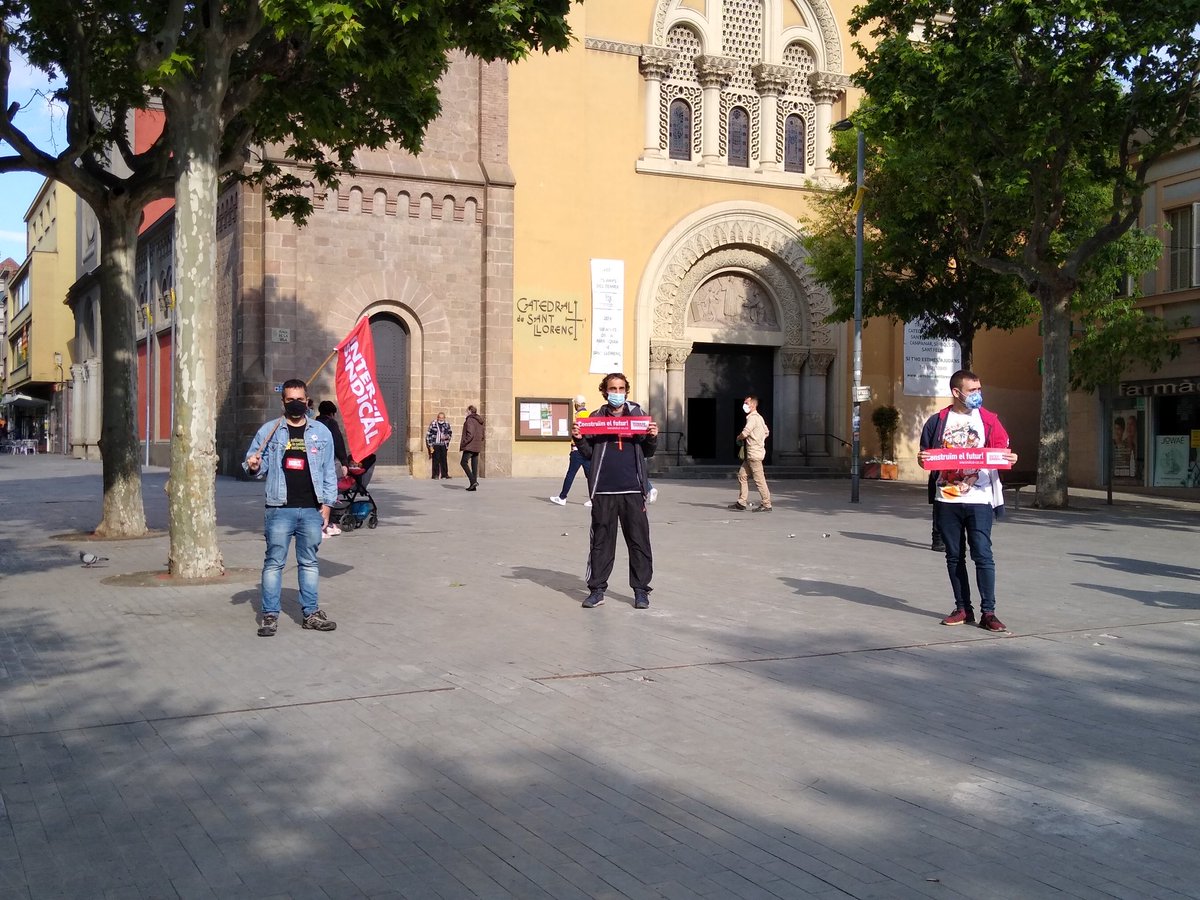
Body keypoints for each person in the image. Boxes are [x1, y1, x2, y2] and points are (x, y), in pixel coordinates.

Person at [918, 369, 1018, 633]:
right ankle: (963, 608)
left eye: (979, 390)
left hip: (980, 498)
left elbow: (1002, 451)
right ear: (956, 392)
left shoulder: (989, 420)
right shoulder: (937, 421)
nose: (977, 395)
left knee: (983, 554)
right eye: (972, 390)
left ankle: (989, 612)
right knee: (954, 556)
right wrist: (922, 460)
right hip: (947, 499)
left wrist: (1010, 458)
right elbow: (926, 455)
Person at [244, 378, 339, 637]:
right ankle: (270, 615)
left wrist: (328, 505)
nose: (297, 404)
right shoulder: (270, 431)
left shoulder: (321, 432)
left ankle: (310, 613)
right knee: (274, 563)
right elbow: (255, 463)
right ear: (283, 401)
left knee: (308, 562)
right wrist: (253, 465)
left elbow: (329, 470)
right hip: (278, 509)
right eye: (291, 400)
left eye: (301, 399)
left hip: (311, 509)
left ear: (307, 400)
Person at [572, 372, 658, 610]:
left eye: (621, 389)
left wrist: (652, 437)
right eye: (613, 389)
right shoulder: (595, 418)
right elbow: (589, 453)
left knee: (639, 541)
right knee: (601, 542)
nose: (617, 393)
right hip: (604, 491)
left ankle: (641, 591)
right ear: (604, 391)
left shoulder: (638, 417)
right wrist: (579, 439)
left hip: (633, 490)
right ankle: (597, 590)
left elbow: (648, 452)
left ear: (626, 391)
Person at [728, 394, 772, 512]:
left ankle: (766, 504)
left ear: (753, 404)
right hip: (752, 454)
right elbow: (766, 432)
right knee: (742, 475)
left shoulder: (752, 418)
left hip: (754, 454)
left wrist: (739, 437)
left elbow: (746, 432)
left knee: (759, 480)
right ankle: (741, 502)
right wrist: (759, 439)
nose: (744, 405)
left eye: (746, 403)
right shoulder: (760, 418)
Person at [550, 395, 593, 507]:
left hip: (577, 450)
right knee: (590, 476)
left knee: (571, 474)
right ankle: (594, 499)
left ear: (576, 405)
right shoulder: (589, 415)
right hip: (587, 450)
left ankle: (562, 497)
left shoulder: (578, 416)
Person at [314, 400, 349, 536]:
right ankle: (325, 524)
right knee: (329, 491)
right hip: (328, 461)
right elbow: (338, 443)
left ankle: (317, 523)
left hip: (315, 463)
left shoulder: (314, 423)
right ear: (332, 413)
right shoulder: (331, 423)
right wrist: (344, 462)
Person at [460, 404, 484, 490]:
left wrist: (464, 442)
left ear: (470, 411)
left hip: (470, 445)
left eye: (467, 411)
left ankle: (473, 481)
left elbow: (470, 434)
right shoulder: (479, 420)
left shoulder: (470, 420)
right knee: (474, 465)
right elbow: (482, 434)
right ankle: (473, 486)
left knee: (463, 462)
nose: (466, 413)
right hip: (477, 445)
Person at [426, 411, 453, 479]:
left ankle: (444, 474)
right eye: (439, 417)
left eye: (442, 418)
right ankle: (435, 475)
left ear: (444, 418)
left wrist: (446, 437)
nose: (441, 419)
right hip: (435, 443)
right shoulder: (433, 423)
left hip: (443, 444)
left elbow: (450, 433)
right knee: (436, 459)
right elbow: (428, 434)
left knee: (444, 459)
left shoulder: (447, 424)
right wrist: (430, 445)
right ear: (437, 418)